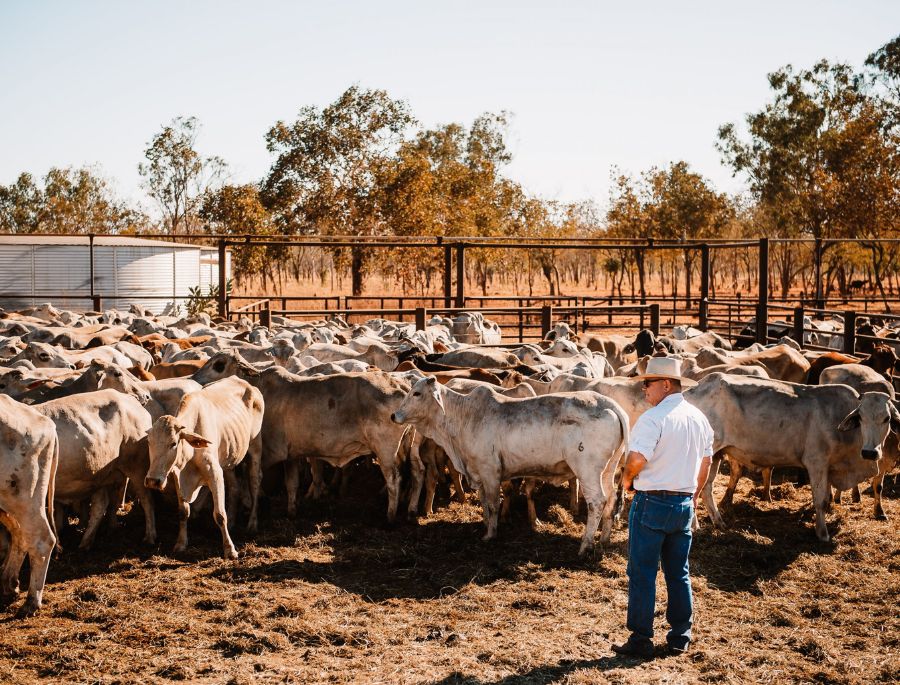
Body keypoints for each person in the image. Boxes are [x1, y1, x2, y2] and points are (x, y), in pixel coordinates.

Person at [612, 356, 714, 659]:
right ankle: (680, 636)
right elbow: (705, 462)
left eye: (648, 383)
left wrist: (627, 481)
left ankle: (641, 638)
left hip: (652, 501)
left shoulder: (653, 418)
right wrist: (693, 495)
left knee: (642, 571)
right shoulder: (699, 418)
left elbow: (637, 459)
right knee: (678, 572)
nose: (644, 389)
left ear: (665, 385)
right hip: (683, 502)